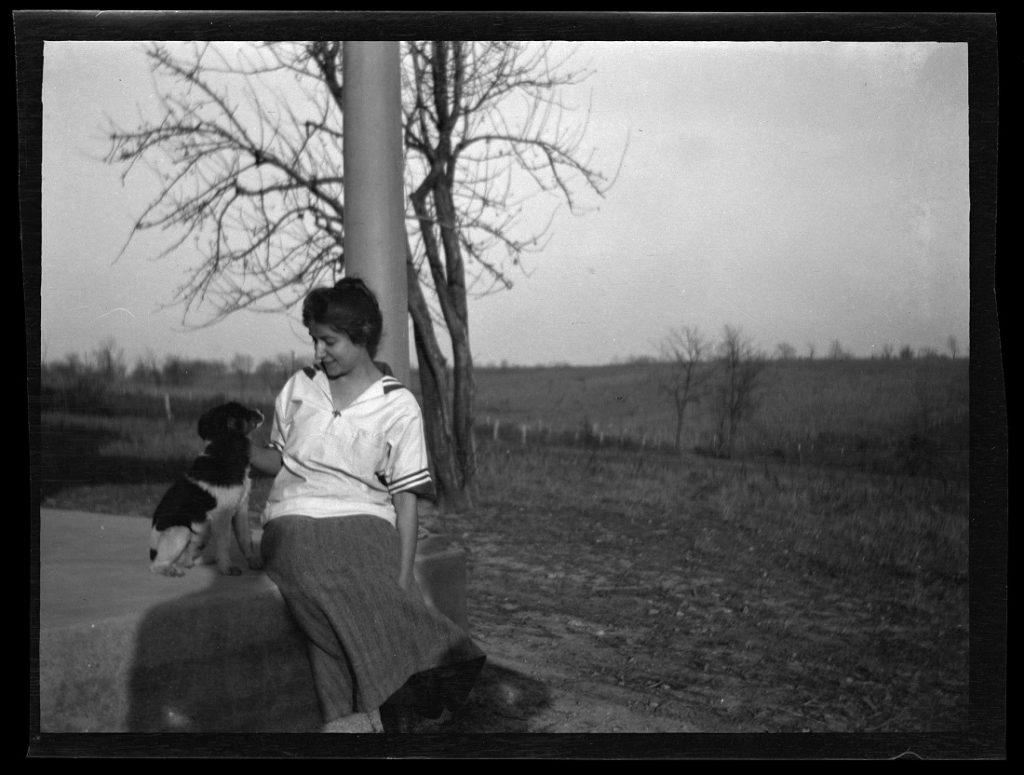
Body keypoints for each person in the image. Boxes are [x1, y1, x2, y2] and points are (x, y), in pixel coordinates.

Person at [249, 277, 485, 733]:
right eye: (315, 340)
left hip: (368, 523)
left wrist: (402, 574)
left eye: (329, 341)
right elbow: (277, 460)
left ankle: (351, 725)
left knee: (340, 633)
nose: (318, 352)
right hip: (294, 523)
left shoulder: (398, 406)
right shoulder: (298, 388)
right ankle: (391, 715)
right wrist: (239, 451)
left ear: (362, 335)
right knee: (343, 598)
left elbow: (405, 498)